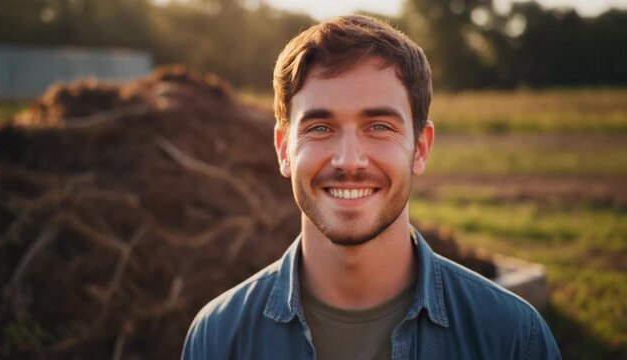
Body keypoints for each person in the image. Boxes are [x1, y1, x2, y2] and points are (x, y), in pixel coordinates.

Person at [182, 15, 561, 360]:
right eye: (320, 128)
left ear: (420, 147)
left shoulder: (512, 339)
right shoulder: (217, 338)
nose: (349, 160)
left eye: (379, 126)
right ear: (284, 150)